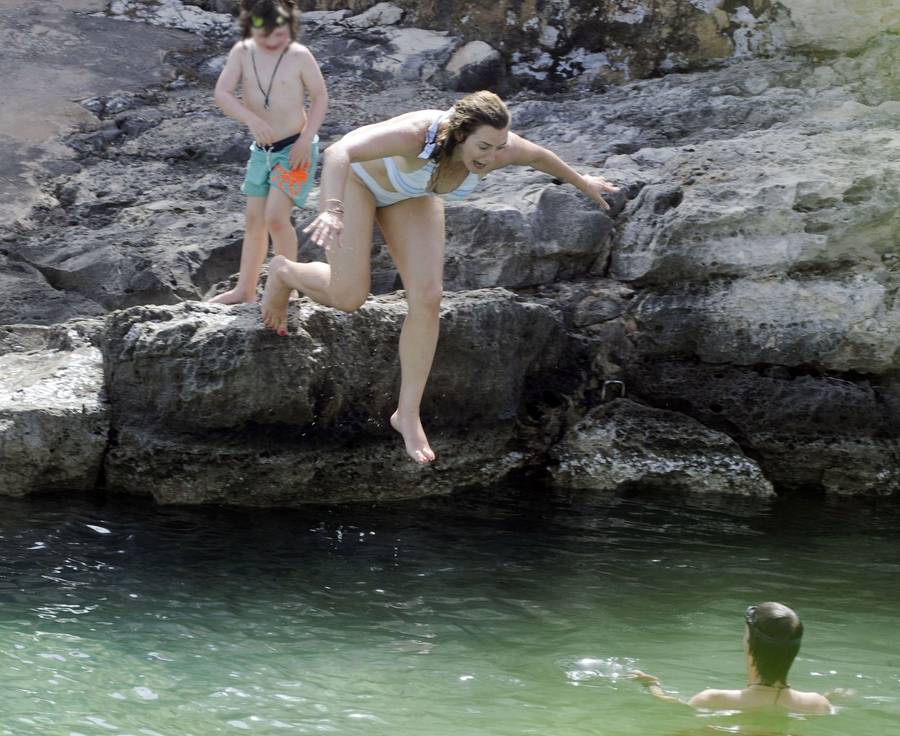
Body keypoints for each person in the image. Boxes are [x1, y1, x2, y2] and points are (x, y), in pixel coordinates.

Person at [258, 90, 620, 464]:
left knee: (429, 297)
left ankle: (408, 413)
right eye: (484, 146)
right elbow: (338, 152)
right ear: (460, 134)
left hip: (412, 194)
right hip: (358, 184)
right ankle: (284, 271)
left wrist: (584, 182)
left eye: (499, 146)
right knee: (348, 297)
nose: (493, 157)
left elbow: (542, 157)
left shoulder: (497, 148)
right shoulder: (417, 135)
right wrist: (333, 210)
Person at [209, 0, 328, 304]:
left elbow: (319, 96)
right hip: (262, 150)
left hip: (294, 148)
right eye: (266, 35)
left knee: (276, 217)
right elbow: (222, 93)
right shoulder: (242, 53)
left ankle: (287, 285)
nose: (274, 41)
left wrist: (307, 139)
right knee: (254, 218)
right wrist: (250, 118)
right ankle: (245, 289)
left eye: (281, 34)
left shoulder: (300, 56)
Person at [632, 602, 833, 714]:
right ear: (795, 649)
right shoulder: (818, 704)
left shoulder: (712, 699)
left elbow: (675, 707)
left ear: (749, 644)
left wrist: (653, 685)